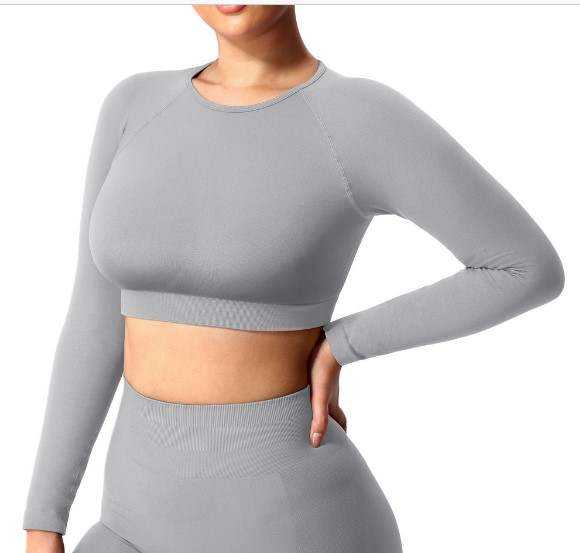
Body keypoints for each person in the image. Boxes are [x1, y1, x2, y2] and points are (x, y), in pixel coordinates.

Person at [24, 5, 564, 553]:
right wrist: (43, 519)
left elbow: (524, 267)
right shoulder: (133, 106)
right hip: (128, 526)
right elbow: (93, 326)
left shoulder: (356, 117)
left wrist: (343, 343)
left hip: (295, 524)